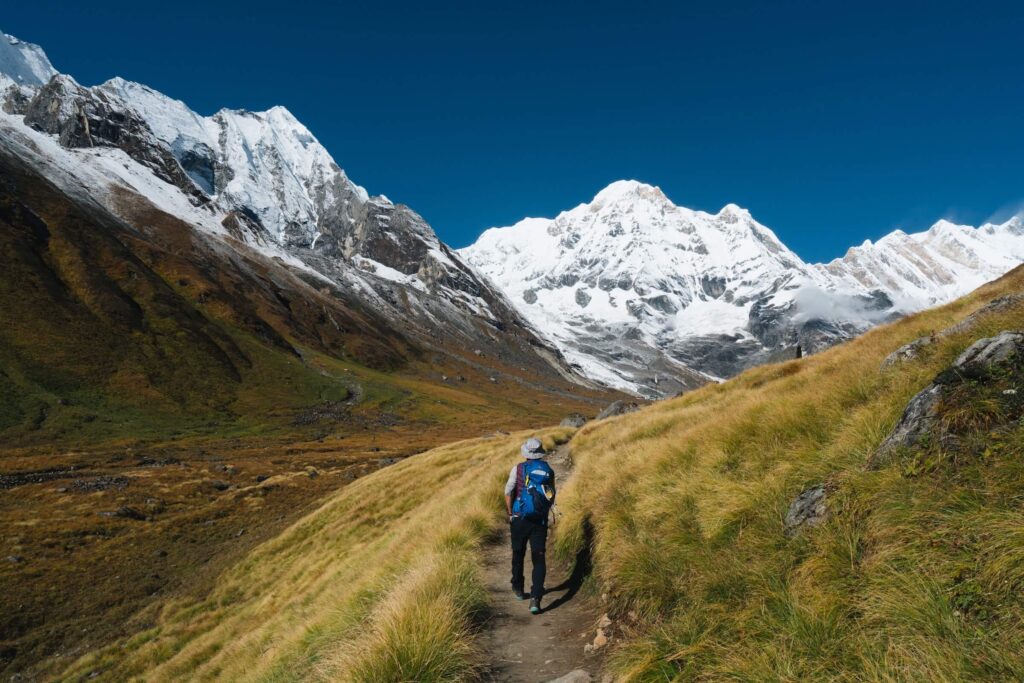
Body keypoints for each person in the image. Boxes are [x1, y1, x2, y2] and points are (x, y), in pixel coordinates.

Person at [504, 437, 556, 614]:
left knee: (518, 552)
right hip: (539, 521)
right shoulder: (548, 470)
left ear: (526, 453)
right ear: (540, 453)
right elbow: (550, 496)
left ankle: (518, 588)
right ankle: (535, 598)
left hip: (519, 518)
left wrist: (511, 513)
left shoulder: (518, 469)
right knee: (538, 557)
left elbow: (508, 491)